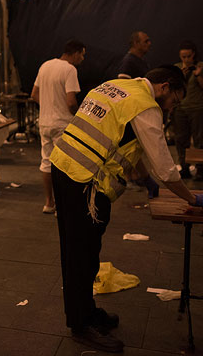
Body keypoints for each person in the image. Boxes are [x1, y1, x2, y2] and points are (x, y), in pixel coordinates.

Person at [50, 66, 203, 353]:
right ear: (166, 87)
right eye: (175, 100)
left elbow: (125, 140)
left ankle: (86, 310)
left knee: (80, 250)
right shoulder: (146, 106)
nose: (173, 107)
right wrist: (191, 198)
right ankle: (81, 325)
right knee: (81, 253)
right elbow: (166, 169)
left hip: (65, 165)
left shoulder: (119, 86)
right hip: (84, 180)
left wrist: (144, 178)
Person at [31, 40, 85, 213]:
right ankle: (63, 207)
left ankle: (49, 203)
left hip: (45, 122)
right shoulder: (70, 70)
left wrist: (49, 106)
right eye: (82, 55)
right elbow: (70, 102)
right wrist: (80, 117)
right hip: (63, 123)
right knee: (64, 164)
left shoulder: (45, 66)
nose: (82, 59)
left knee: (46, 162)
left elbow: (34, 94)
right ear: (75, 53)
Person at [173, 40, 203, 180]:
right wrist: (181, 75)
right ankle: (184, 167)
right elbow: (173, 89)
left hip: (197, 108)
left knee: (199, 139)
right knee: (180, 139)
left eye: (188, 56)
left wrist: (198, 75)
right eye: (183, 57)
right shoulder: (177, 68)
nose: (186, 59)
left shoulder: (200, 66)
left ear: (193, 55)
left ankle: (200, 169)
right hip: (180, 108)